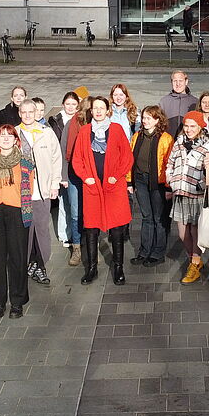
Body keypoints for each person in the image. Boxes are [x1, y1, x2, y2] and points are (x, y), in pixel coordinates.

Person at [72, 97, 134, 285]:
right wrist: (86, 177)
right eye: (95, 108)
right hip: (92, 186)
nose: (98, 111)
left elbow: (127, 156)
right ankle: (92, 268)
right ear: (90, 111)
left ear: (108, 110)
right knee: (91, 228)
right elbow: (77, 159)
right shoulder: (84, 132)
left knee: (116, 228)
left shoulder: (116, 129)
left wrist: (117, 175)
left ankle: (118, 268)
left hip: (113, 186)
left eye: (102, 108)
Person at [0, 125, 37, 318]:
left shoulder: (26, 162)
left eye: (9, 136)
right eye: (2, 135)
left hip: (18, 211)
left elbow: (30, 185)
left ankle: (17, 301)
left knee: (18, 258)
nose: (5, 138)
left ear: (16, 140)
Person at [17, 99, 63, 286]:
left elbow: (56, 158)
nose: (27, 116)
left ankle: (41, 265)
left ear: (36, 112)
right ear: (20, 113)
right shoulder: (12, 133)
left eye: (31, 112)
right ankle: (26, 263)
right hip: (22, 193)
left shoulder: (46, 133)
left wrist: (54, 184)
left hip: (42, 190)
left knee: (42, 230)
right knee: (25, 231)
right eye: (24, 112)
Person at [167, 115, 209, 283]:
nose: (189, 129)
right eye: (186, 126)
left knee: (195, 231)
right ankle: (194, 260)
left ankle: (194, 264)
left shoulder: (208, 146)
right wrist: (170, 179)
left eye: (193, 126)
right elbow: (170, 163)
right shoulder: (179, 142)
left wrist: (201, 184)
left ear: (200, 127)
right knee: (182, 233)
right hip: (180, 192)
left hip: (197, 194)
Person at [129, 106, 173, 267]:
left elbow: (169, 163)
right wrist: (129, 182)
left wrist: (168, 187)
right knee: (146, 217)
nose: (145, 121)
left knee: (159, 218)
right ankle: (144, 251)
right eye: (144, 118)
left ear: (157, 120)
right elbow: (130, 160)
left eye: (148, 118)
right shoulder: (137, 136)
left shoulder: (165, 138)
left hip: (158, 182)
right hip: (140, 180)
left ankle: (158, 252)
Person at [50, 91, 84, 266]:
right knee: (75, 211)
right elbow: (63, 151)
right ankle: (76, 246)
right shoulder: (70, 124)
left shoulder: (92, 123)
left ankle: (90, 244)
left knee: (89, 211)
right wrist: (62, 175)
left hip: (90, 175)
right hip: (72, 174)